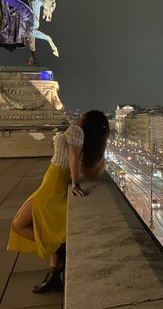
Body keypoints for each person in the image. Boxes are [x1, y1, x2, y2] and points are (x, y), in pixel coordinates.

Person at [7, 110, 110, 293]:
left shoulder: (76, 130)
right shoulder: (79, 132)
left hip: (54, 181)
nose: (81, 114)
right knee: (44, 225)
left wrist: (76, 183)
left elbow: (73, 155)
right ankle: (55, 275)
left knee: (18, 225)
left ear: (86, 119)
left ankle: (60, 247)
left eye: (84, 114)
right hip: (53, 178)